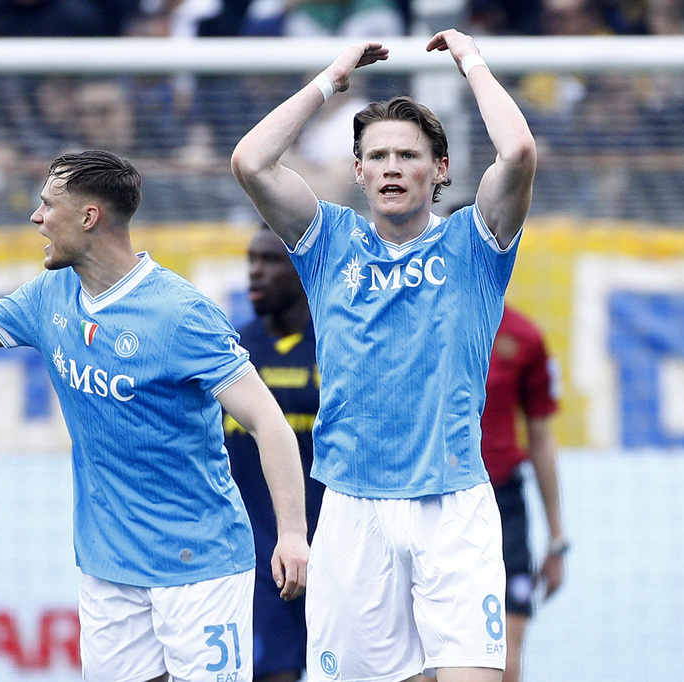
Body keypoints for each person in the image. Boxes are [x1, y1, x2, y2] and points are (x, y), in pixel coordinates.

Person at [0, 149, 310, 682]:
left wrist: (293, 535)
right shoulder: (52, 294)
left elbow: (267, 422)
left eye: (48, 204)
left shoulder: (180, 314)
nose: (36, 217)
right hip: (107, 566)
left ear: (88, 217)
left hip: (199, 565)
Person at [231, 28, 538, 682]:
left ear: (441, 170)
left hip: (452, 505)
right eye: (378, 156)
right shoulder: (328, 241)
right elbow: (252, 162)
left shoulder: (474, 246)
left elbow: (516, 151)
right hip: (349, 507)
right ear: (359, 172)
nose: (393, 166)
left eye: (409, 154)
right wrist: (332, 77)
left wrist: (472, 63)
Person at [224, 226, 325, 682]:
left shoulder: (338, 349)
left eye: (269, 261)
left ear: (302, 272)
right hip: (256, 557)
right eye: (251, 261)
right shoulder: (228, 353)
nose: (255, 272)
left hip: (336, 551)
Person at [482, 305, 567, 682]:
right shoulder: (422, 316)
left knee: (504, 663)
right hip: (434, 497)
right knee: (424, 662)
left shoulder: (524, 336)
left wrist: (557, 540)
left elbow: (542, 440)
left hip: (503, 506)